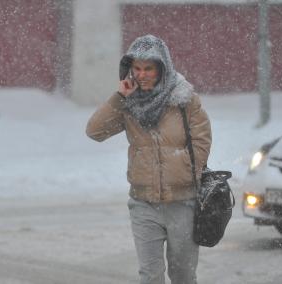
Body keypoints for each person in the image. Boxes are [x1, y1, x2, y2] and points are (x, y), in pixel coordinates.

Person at [86, 34, 211, 284]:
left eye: (148, 69)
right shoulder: (128, 103)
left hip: (182, 203)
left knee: (183, 275)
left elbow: (202, 140)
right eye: (137, 68)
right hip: (144, 204)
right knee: (150, 275)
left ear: (162, 68)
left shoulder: (185, 100)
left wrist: (185, 172)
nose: (141, 75)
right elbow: (95, 131)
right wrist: (119, 98)